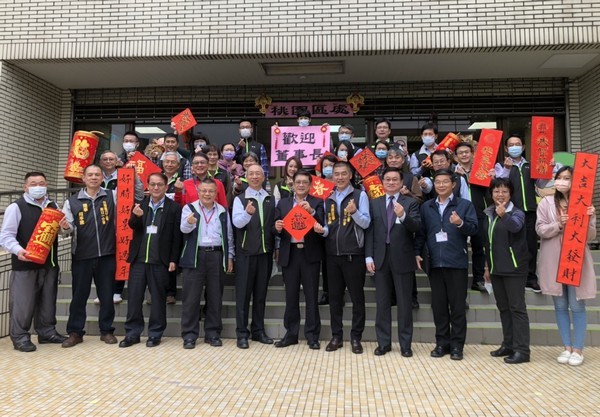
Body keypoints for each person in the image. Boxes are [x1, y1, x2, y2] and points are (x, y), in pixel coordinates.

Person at [60, 164, 142, 347]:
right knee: (79, 295)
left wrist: (134, 177)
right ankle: (75, 332)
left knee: (106, 295)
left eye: (97, 174)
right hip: (82, 255)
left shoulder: (111, 196)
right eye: (90, 174)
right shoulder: (71, 201)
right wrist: (65, 227)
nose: (94, 177)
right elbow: (68, 228)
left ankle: (106, 331)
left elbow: (133, 197)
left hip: (107, 254)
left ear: (102, 178)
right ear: (83, 178)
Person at [0, 172, 68, 352]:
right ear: (25, 187)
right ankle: (20, 337)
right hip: (25, 263)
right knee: (23, 302)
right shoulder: (16, 207)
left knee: (48, 300)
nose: (38, 186)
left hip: (49, 263)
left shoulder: (52, 206)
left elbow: (58, 232)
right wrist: (18, 250)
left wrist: (65, 228)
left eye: (42, 183)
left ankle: (47, 332)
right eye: (33, 183)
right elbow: (6, 236)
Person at [536, 166, 597, 366]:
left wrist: (588, 218)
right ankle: (567, 347)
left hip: (576, 259)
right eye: (559, 177)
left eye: (567, 178)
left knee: (577, 305)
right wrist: (559, 225)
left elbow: (591, 236)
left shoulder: (583, 203)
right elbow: (540, 229)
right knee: (560, 306)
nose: (562, 181)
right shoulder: (546, 202)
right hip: (553, 259)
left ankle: (578, 349)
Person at [414, 169, 478, 360]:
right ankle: (442, 343)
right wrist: (417, 252)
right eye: (438, 182)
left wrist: (460, 224)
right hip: (434, 262)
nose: (441, 185)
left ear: (454, 184)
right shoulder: (427, 207)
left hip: (456, 262)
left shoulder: (464, 205)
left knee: (457, 306)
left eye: (445, 182)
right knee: (439, 306)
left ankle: (457, 345)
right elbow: (421, 233)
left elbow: (474, 230)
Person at [119, 173, 183, 348]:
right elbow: (133, 226)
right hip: (139, 260)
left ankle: (155, 333)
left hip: (160, 261)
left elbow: (177, 237)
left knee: (158, 299)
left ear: (166, 186)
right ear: (147, 186)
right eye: (152, 184)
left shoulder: (174, 208)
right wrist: (136, 216)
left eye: (159, 184)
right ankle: (132, 333)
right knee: (134, 298)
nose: (156, 188)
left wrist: (173, 260)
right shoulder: (141, 205)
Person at [314, 161, 370, 354]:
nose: (339, 177)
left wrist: (354, 212)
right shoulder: (327, 197)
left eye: (343, 173)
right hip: (332, 255)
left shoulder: (359, 195)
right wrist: (322, 231)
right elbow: (330, 225)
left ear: (350, 175)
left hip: (353, 254)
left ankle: (356, 337)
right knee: (335, 299)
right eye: (336, 174)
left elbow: (366, 223)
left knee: (357, 298)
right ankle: (336, 336)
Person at [365, 167, 420, 357]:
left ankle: (405, 344)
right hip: (380, 258)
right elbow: (370, 231)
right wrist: (368, 256)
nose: (390, 182)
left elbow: (416, 227)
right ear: (382, 182)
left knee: (404, 304)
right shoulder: (375, 203)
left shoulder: (410, 203)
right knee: (382, 303)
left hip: (402, 258)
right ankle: (383, 343)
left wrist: (403, 215)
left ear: (401, 182)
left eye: (394, 179)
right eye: (387, 179)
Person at [494, 134, 560, 292]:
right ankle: (515, 275)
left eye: (517, 144)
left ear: (523, 147)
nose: (514, 147)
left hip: (530, 210)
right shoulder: (500, 166)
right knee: (512, 243)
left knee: (530, 244)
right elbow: (499, 185)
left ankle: (531, 277)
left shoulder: (530, 165)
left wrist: (549, 168)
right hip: (510, 212)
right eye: (511, 145)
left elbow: (542, 183)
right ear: (506, 148)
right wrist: (507, 170)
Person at [179, 178, 235, 349]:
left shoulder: (223, 210)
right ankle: (189, 335)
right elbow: (183, 229)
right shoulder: (190, 208)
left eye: (211, 191)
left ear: (216, 193)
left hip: (216, 255)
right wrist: (189, 223)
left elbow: (229, 236)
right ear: (198, 192)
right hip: (195, 256)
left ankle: (213, 333)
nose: (207, 194)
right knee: (191, 298)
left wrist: (230, 257)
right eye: (204, 191)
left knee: (215, 296)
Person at [274, 170, 324, 349]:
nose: (301, 185)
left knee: (311, 296)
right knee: (291, 295)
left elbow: (323, 226)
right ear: (292, 185)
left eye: (305, 182)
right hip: (290, 254)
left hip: (309, 254)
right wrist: (277, 227)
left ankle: (312, 336)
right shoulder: (283, 203)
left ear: (310, 185)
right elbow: (275, 228)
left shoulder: (317, 202)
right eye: (298, 182)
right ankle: (291, 333)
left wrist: (312, 213)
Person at [483, 178, 531, 364]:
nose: (500, 195)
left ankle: (522, 350)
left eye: (504, 191)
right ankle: (508, 344)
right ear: (492, 194)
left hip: (514, 268)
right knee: (503, 308)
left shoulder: (516, 212)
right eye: (496, 191)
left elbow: (516, 227)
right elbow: (488, 243)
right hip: (496, 268)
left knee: (517, 309)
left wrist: (504, 215)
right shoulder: (489, 213)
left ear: (510, 194)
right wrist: (488, 267)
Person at [232, 164, 276, 349]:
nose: (255, 177)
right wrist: (247, 214)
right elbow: (237, 223)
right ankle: (242, 333)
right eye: (251, 174)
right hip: (246, 254)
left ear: (264, 177)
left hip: (265, 253)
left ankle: (258, 330)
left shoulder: (270, 199)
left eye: (258, 173)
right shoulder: (240, 199)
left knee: (260, 295)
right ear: (246, 177)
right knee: (243, 296)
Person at [455, 141, 490, 292]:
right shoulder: (452, 173)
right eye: (460, 153)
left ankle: (478, 279)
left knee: (478, 248)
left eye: (466, 152)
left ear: (472, 154)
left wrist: (490, 179)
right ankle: (458, 282)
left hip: (477, 213)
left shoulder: (481, 171)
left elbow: (488, 194)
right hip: (457, 215)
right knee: (458, 247)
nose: (464, 155)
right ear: (456, 156)